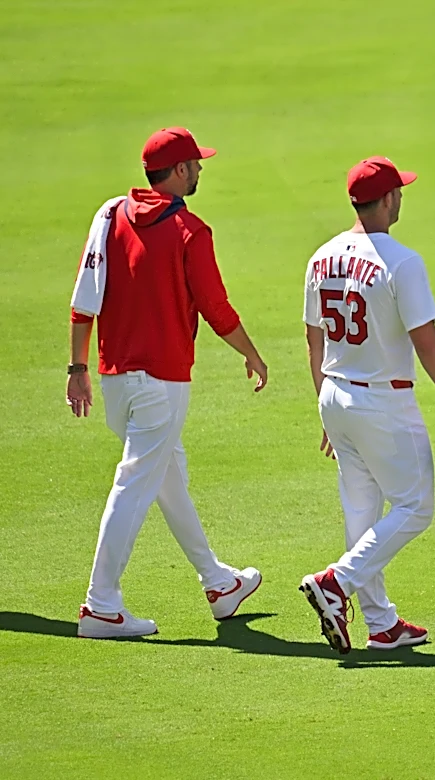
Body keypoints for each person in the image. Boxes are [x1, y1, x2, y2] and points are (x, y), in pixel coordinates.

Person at [67, 127, 268, 639]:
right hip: (162, 384)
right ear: (177, 172)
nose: (200, 169)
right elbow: (216, 306)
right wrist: (251, 353)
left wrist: (77, 368)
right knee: (135, 482)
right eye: (195, 164)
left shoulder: (109, 214)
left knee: (165, 476)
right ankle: (100, 604)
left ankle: (219, 583)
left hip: (114, 380)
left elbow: (84, 298)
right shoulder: (190, 232)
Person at [299, 156, 435, 654]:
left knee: (362, 507)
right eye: (398, 192)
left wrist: (323, 406)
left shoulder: (321, 257)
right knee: (415, 507)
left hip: (335, 393)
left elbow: (313, 339)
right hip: (383, 402)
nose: (401, 197)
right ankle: (336, 583)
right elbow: (427, 343)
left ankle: (380, 622)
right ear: (385, 201)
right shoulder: (401, 261)